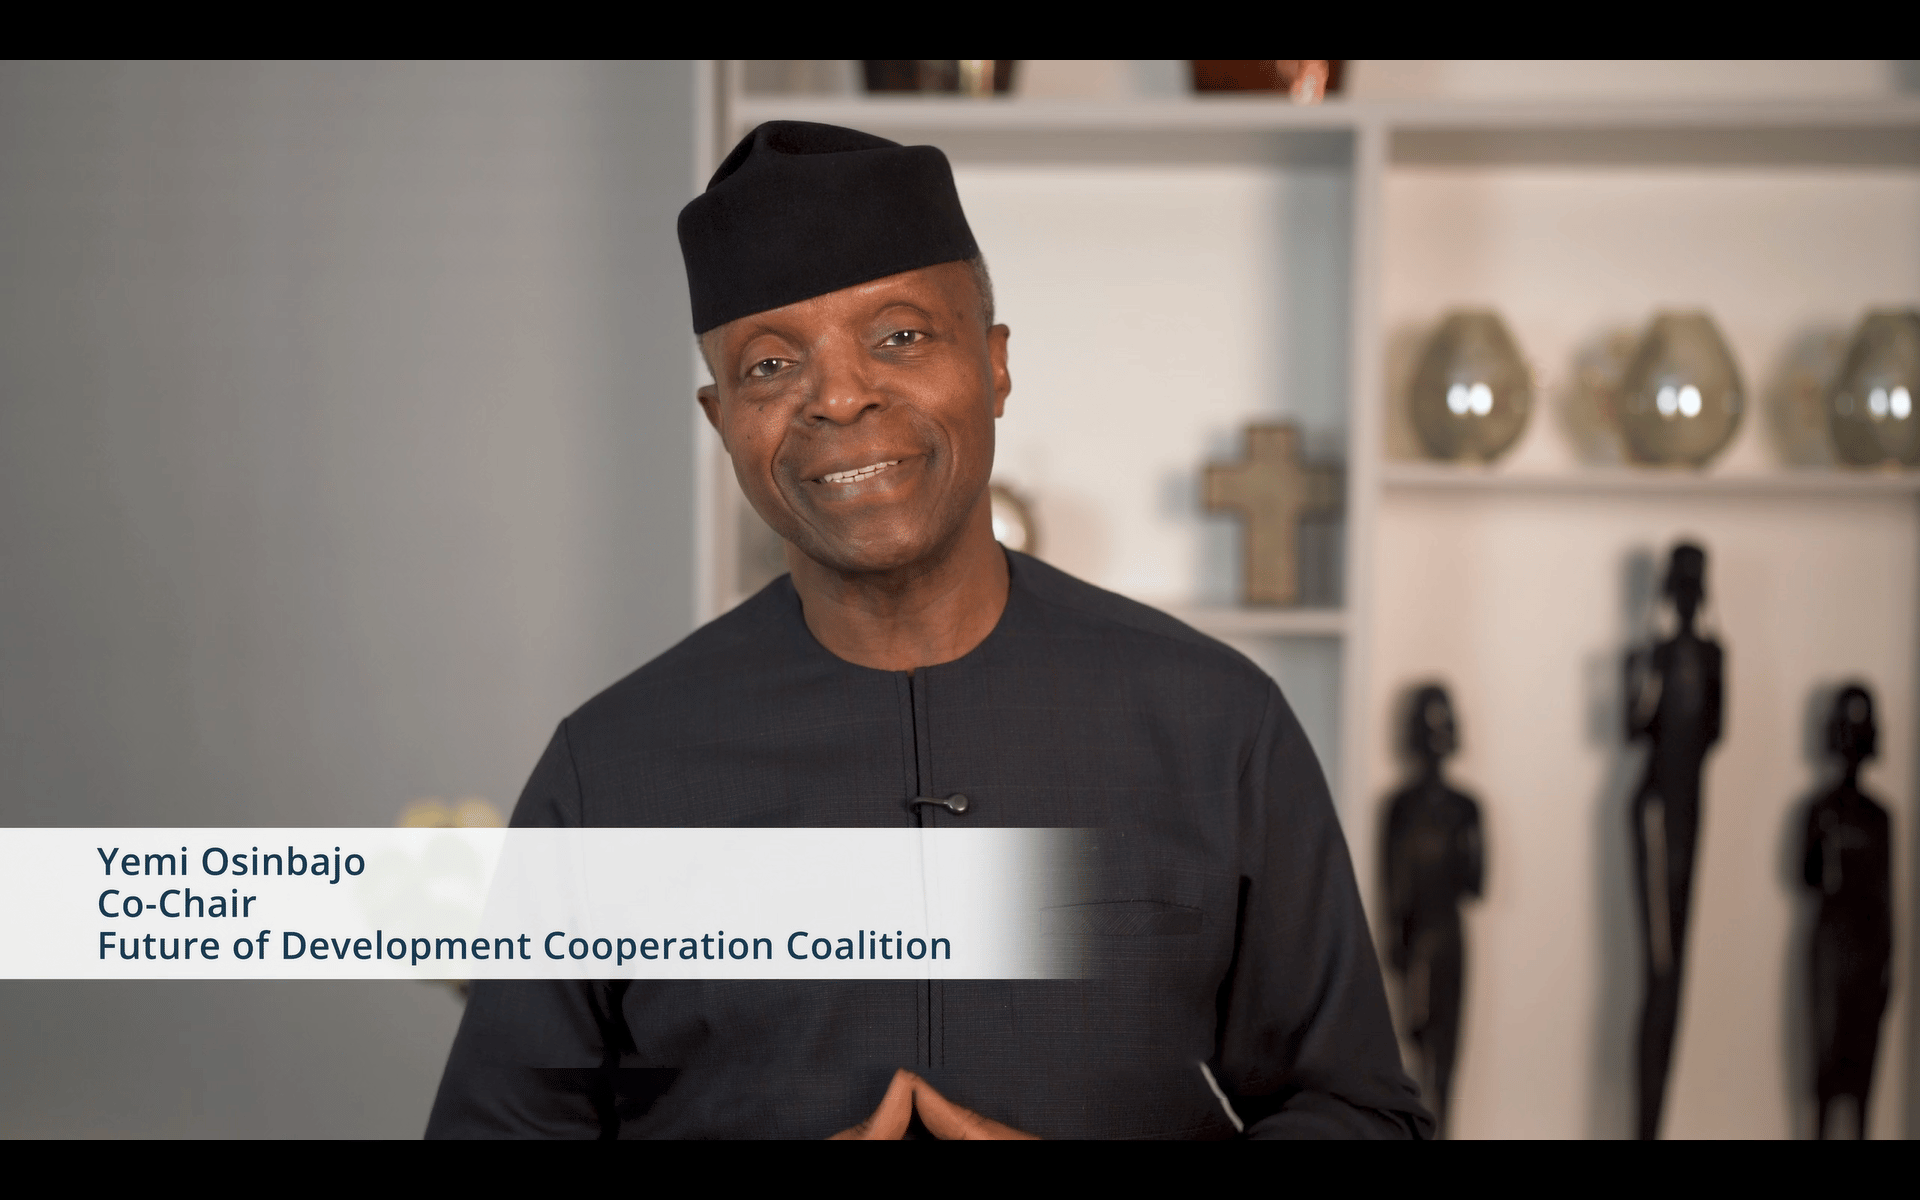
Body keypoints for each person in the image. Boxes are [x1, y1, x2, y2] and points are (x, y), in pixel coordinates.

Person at [426, 120, 1427, 1139]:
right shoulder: (608, 771)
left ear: (994, 365)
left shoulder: (1217, 725)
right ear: (722, 419)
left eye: (900, 337)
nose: (839, 397)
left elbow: (1361, 1114)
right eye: (769, 365)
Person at [1624, 542, 1723, 1140]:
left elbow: (1714, 732)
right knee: (1660, 972)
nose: (1686, 599)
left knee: (1677, 975)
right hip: (1656, 811)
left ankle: (1654, 1121)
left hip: (1690, 810)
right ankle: (1645, 1122)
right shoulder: (1652, 655)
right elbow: (1634, 725)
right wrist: (1645, 669)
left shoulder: (1713, 656)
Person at [1383, 684, 1483, 1136]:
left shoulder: (1466, 808)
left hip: (1448, 937)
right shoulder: (1399, 808)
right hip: (1415, 939)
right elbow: (1391, 887)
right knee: (1416, 1051)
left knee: (1448, 1055)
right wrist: (1395, 942)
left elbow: (1476, 883)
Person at [1801, 684, 1892, 1140]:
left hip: (1868, 946)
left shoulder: (1880, 817)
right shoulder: (1822, 811)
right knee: (1825, 1061)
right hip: (1832, 943)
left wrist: (1888, 962)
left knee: (1863, 1072)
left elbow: (1886, 893)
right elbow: (1807, 876)